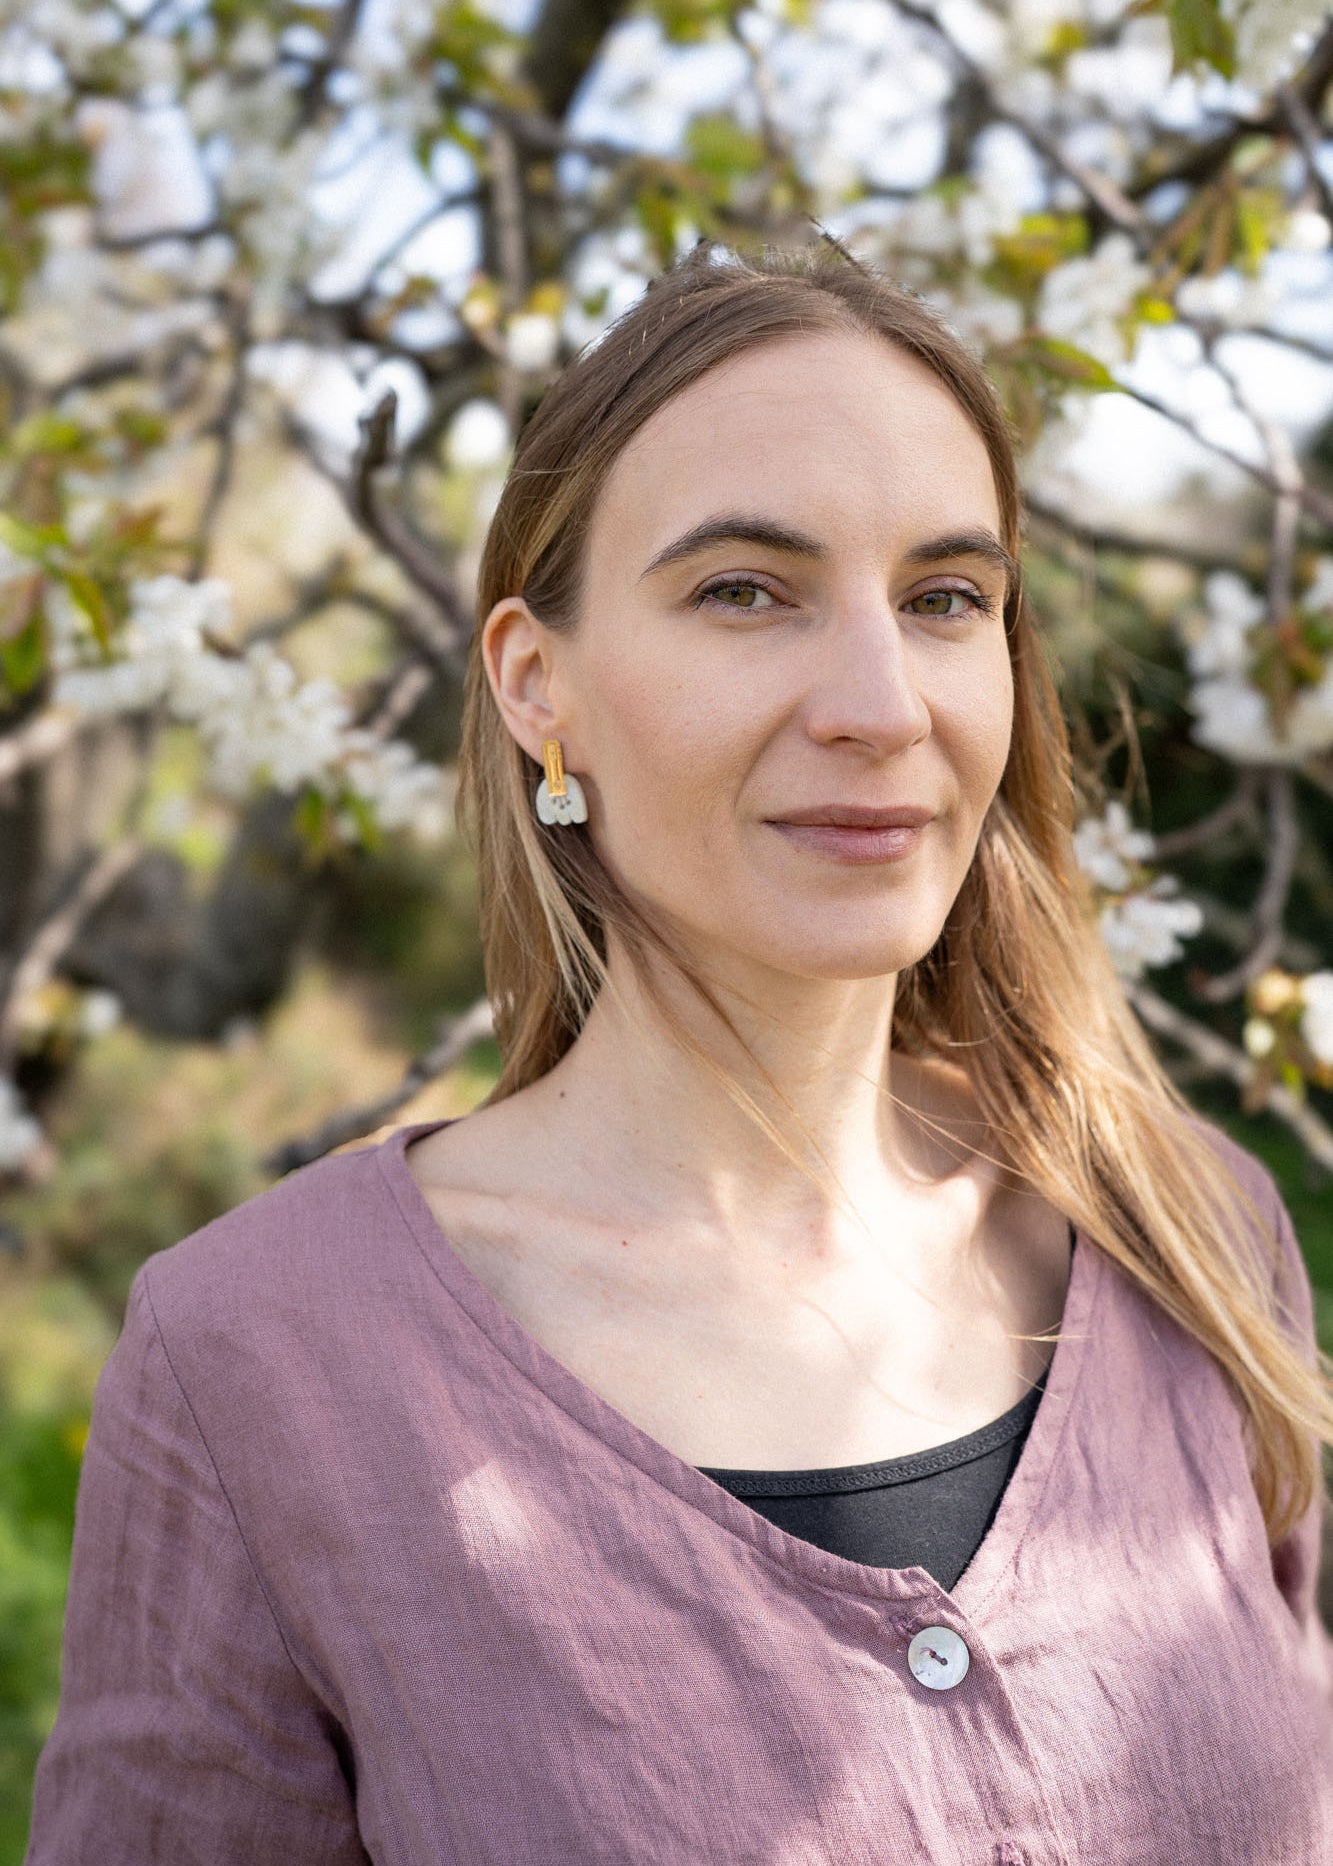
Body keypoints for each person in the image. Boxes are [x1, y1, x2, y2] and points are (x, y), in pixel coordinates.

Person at [25, 240, 1333, 1864]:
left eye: (943, 599)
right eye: (743, 591)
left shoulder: (1191, 1235)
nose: (880, 701)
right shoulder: (258, 1360)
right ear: (535, 684)